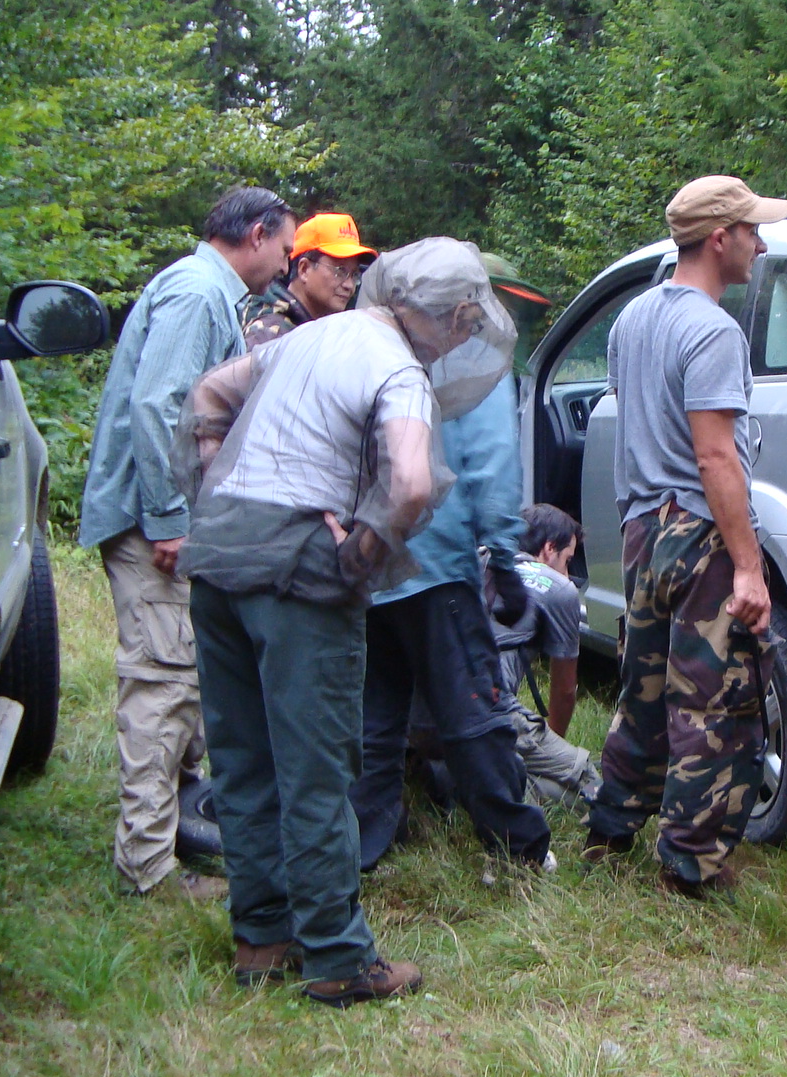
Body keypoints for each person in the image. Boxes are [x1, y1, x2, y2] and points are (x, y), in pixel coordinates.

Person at [176, 236, 508, 1005]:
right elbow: (415, 481)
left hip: (219, 556)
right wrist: (364, 547)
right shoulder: (398, 369)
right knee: (317, 766)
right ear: (455, 315)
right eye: (466, 324)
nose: (465, 338)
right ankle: (336, 958)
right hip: (296, 572)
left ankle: (260, 938)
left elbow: (206, 399)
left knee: (243, 755)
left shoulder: (311, 335)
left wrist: (218, 487)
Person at [75, 186, 297, 899]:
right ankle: (146, 867)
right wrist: (168, 517)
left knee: (183, 677)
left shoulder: (206, 290)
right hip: (154, 526)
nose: (287, 267)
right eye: (287, 250)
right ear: (257, 234)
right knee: (162, 682)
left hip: (172, 521)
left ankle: (170, 828)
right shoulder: (200, 291)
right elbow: (159, 402)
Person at [582, 174, 787, 898]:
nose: (761, 245)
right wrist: (748, 567)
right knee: (716, 702)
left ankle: (609, 833)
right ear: (720, 238)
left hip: (641, 529)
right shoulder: (713, 329)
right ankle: (691, 866)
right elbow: (714, 457)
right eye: (754, 232)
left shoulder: (631, 321)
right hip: (697, 531)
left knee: (641, 690)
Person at [350, 251, 553, 874]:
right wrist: (506, 556)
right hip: (436, 563)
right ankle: (516, 846)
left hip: (369, 557)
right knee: (473, 706)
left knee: (375, 713)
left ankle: (364, 842)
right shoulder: (477, 371)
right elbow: (489, 463)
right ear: (472, 305)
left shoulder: (373, 347)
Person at [489, 503, 598, 804]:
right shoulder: (559, 588)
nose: (568, 572)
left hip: (435, 708)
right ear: (549, 549)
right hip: (491, 706)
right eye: (568, 560)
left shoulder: (481, 560)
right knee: (586, 777)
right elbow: (564, 691)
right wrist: (553, 743)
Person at [241, 212, 377, 348]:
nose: (349, 285)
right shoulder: (272, 336)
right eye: (340, 271)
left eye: (354, 275)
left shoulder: (315, 331)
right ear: (304, 269)